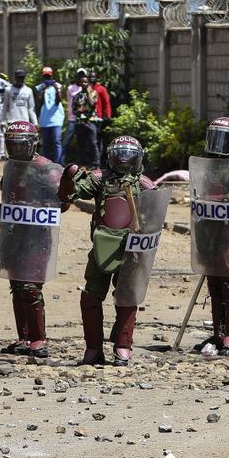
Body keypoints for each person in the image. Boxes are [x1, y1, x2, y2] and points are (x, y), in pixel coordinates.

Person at [59, 135, 157, 366]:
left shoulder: (144, 184)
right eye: (119, 157)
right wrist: (69, 177)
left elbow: (156, 215)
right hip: (102, 246)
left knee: (127, 296)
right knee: (91, 295)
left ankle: (123, 347)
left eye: (128, 157)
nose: (123, 163)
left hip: (132, 249)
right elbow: (73, 194)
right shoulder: (100, 178)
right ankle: (93, 349)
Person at [192, 117, 229, 356]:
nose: (217, 144)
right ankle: (218, 333)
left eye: (223, 139)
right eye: (214, 137)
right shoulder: (208, 166)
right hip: (208, 232)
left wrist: (213, 201)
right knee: (213, 282)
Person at [0, 121, 58, 359]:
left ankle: (38, 339)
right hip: (14, 233)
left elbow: (60, 203)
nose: (17, 150)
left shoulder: (48, 170)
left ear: (33, 144)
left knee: (30, 286)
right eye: (12, 145)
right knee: (16, 285)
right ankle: (23, 337)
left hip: (37, 235)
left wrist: (36, 209)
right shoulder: (10, 166)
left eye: (21, 145)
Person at [68, 72, 101, 167]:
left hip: (90, 122)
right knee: (81, 144)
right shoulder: (77, 95)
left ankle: (96, 163)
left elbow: (92, 104)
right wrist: (81, 110)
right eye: (82, 82)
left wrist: (89, 92)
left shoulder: (93, 93)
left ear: (88, 83)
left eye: (86, 82)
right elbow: (74, 110)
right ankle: (83, 163)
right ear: (79, 83)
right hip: (79, 122)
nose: (84, 84)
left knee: (93, 143)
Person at [36, 66, 65, 163]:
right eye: (45, 76)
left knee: (57, 141)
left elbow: (58, 101)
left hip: (56, 118)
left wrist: (56, 89)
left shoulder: (58, 86)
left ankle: (58, 163)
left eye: (48, 76)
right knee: (46, 143)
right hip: (45, 120)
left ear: (51, 75)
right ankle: (47, 163)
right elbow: (39, 103)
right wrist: (43, 90)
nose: (47, 78)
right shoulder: (40, 87)